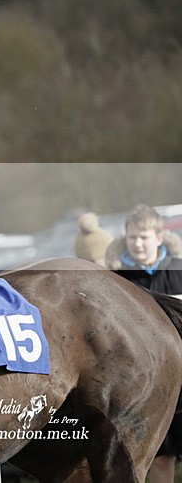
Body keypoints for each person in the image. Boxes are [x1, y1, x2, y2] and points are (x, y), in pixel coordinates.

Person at [105, 204, 182, 483]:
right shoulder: (117, 278)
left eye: (144, 237)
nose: (137, 244)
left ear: (159, 238)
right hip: (144, 379)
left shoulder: (177, 270)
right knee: (157, 455)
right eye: (133, 237)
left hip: (180, 372)